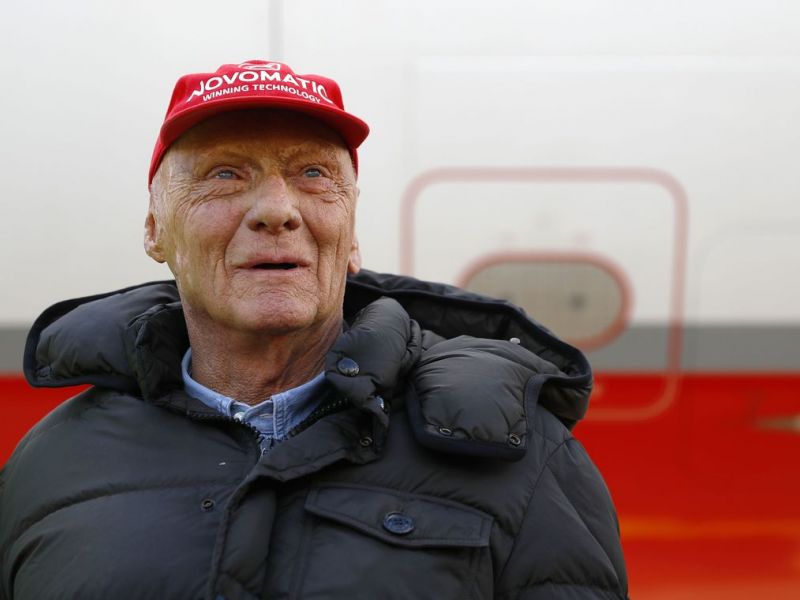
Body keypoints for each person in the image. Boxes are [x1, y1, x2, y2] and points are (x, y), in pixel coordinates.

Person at [0, 60, 629, 600]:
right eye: (224, 174)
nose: (277, 211)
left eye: (314, 174)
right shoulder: (48, 466)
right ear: (154, 231)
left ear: (351, 236)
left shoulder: (525, 460)